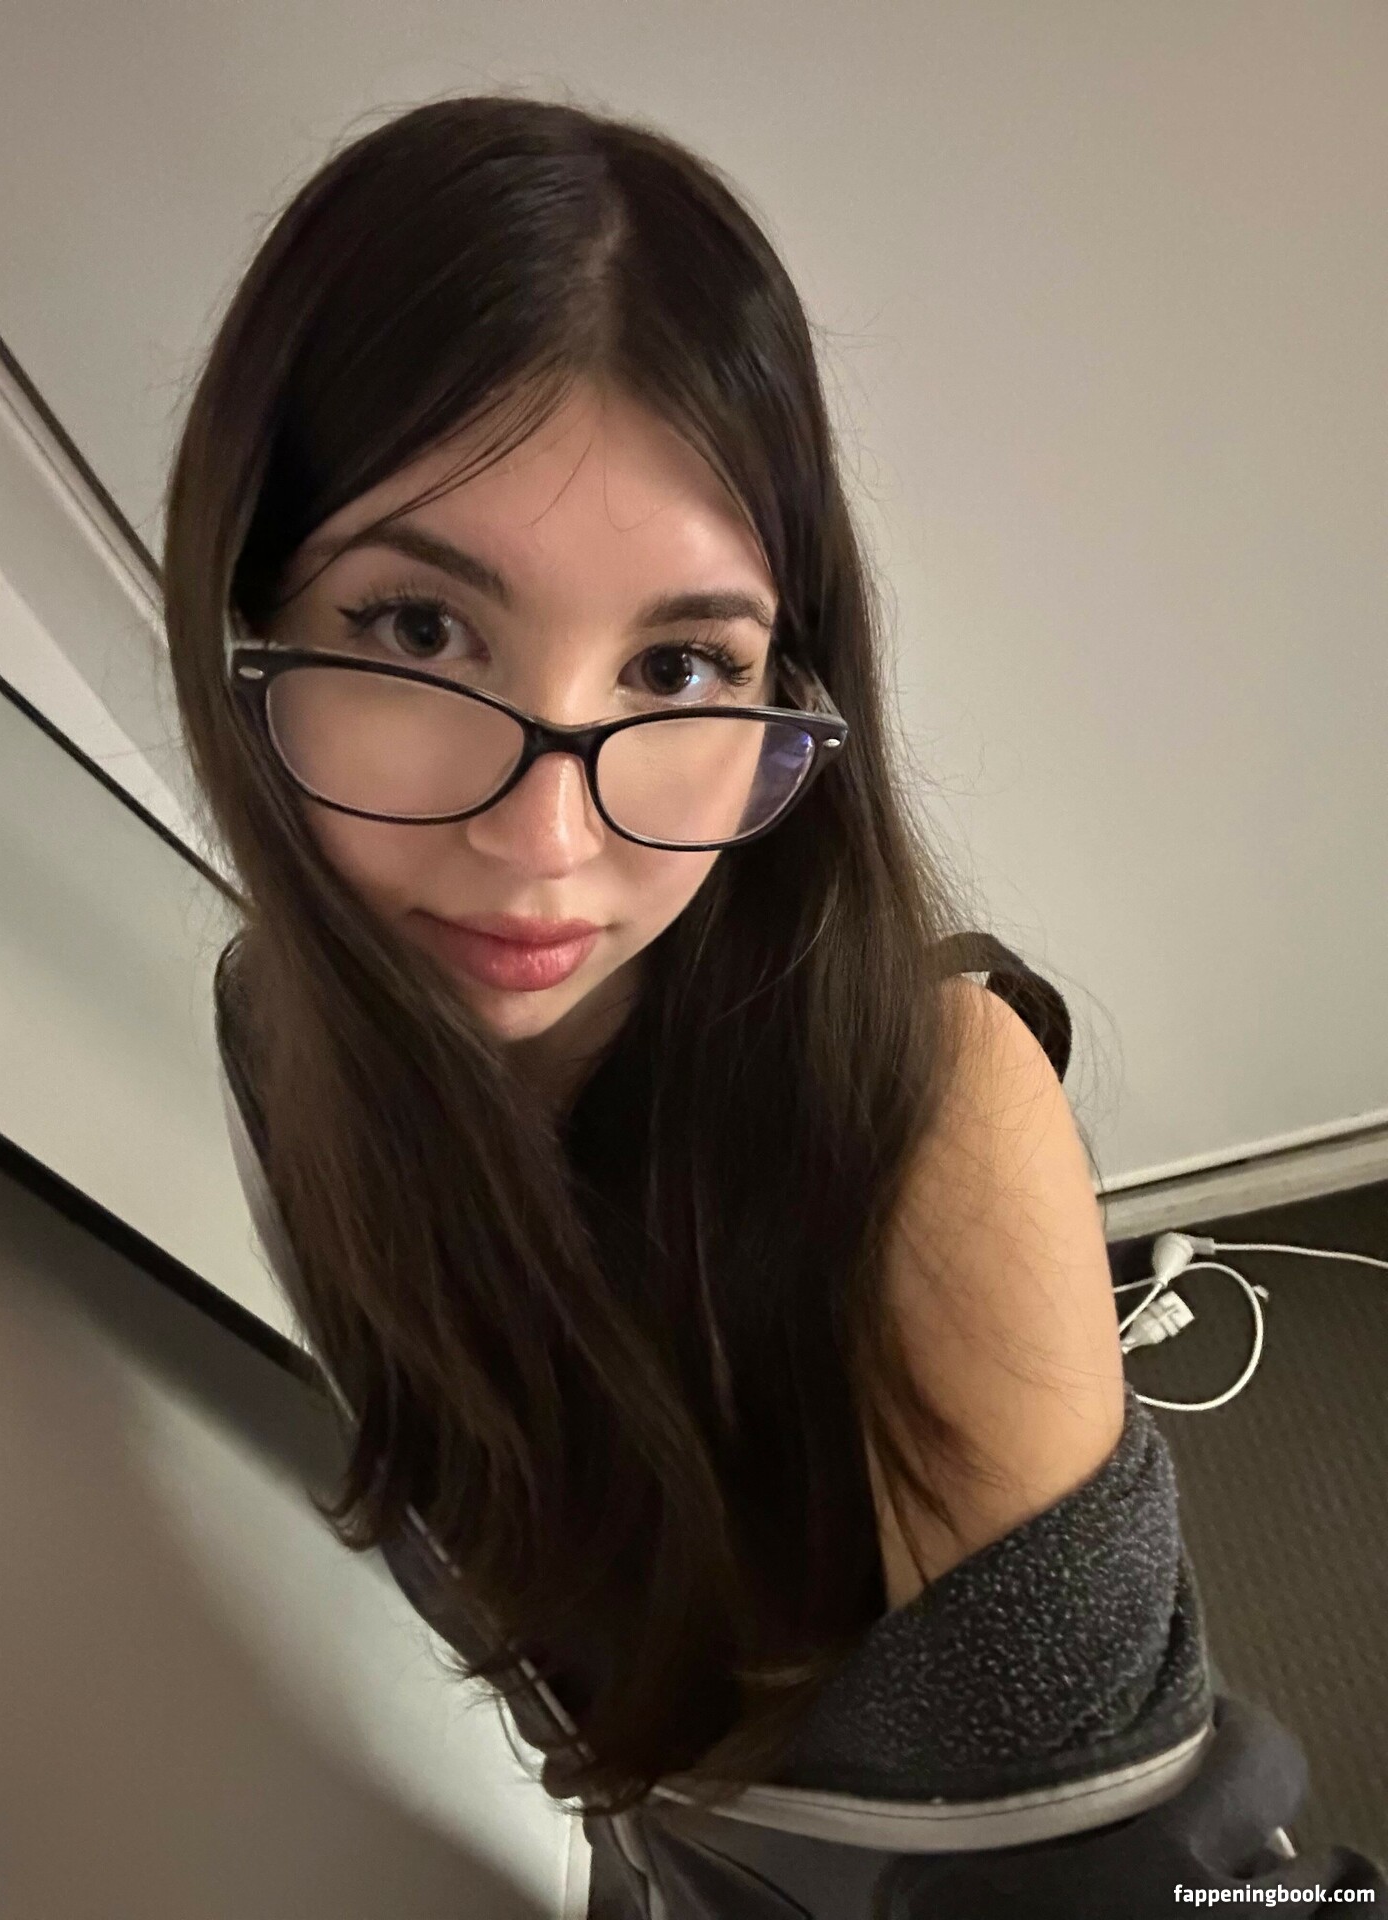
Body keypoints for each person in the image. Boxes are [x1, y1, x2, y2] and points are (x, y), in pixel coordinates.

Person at [169, 93, 1386, 1914]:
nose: (546, 843)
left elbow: (1124, 1870)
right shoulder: (281, 1029)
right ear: (243, 606)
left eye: (677, 664)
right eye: (419, 630)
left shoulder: (925, 1139)